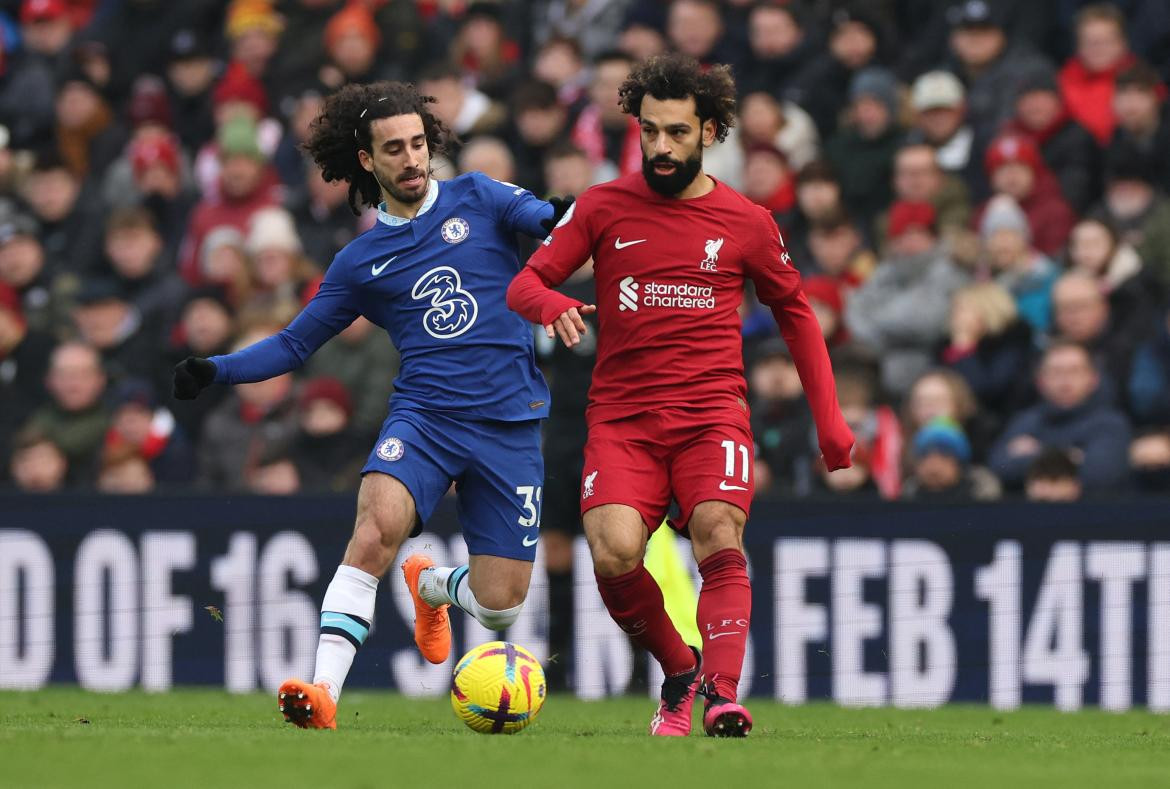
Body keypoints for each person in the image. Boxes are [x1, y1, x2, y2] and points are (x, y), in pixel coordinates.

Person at [170, 81, 572, 730]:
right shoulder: (361, 262)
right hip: (426, 418)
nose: (412, 158)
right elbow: (296, 343)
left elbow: (547, 220)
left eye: (419, 143)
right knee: (373, 529)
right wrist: (215, 368)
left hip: (510, 422)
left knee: (500, 607)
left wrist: (561, 213)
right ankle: (321, 691)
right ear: (367, 160)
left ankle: (433, 586)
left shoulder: (480, 195)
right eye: (395, 149)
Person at [506, 54, 854, 737]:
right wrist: (549, 303)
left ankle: (722, 695)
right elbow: (525, 281)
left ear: (711, 132)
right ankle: (680, 668)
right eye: (650, 131)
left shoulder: (747, 220)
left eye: (677, 133)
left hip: (710, 413)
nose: (661, 147)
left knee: (719, 532)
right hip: (623, 418)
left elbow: (797, 315)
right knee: (611, 552)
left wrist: (831, 421)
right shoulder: (603, 205)